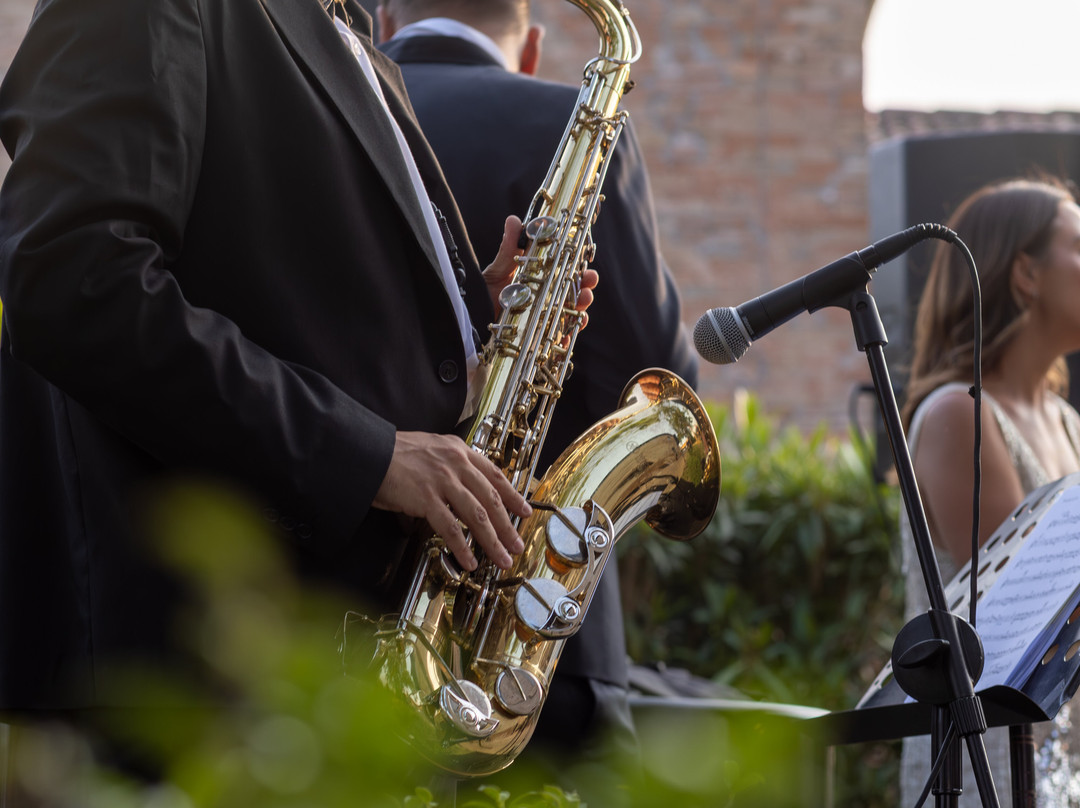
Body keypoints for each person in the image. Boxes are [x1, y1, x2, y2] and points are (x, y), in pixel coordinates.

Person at [0, 0, 598, 798]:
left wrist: (466, 327)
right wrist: (368, 455)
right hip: (201, 682)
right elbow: (75, 285)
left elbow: (287, 292)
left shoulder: (346, 21)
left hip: (330, 675)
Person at [376, 0, 698, 801]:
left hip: (353, 614)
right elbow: (649, 369)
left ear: (384, 19)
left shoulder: (337, 108)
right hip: (530, 652)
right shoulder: (566, 117)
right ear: (534, 48)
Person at [899, 176, 1080, 806]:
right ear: (1026, 275)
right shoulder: (960, 415)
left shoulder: (1065, 420)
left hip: (1059, 759)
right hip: (986, 764)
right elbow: (1025, 630)